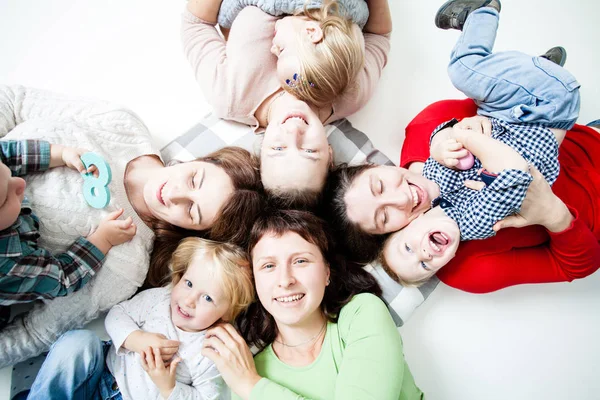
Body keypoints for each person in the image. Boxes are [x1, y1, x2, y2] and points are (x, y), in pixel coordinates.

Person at [0, 85, 263, 368]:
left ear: (195, 232)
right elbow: (14, 101)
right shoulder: (121, 124)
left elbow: (35, 332)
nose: (173, 195)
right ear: (202, 159)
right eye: (194, 179)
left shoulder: (126, 263)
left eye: (191, 210)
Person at [182, 0, 391, 207]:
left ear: (261, 149)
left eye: (278, 148)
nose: (293, 132)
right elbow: (378, 35)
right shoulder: (349, 92)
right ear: (329, 155)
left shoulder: (228, 95)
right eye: (309, 151)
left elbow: (195, 23)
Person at [199, 209, 423, 399]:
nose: (285, 280)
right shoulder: (249, 369)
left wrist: (252, 386)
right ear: (255, 281)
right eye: (268, 266)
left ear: (327, 272)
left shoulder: (362, 312)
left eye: (300, 261)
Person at [25, 237, 255, 399]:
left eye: (207, 298)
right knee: (78, 343)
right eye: (188, 283)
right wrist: (137, 339)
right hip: (100, 375)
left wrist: (169, 388)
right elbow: (118, 314)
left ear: (226, 313)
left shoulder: (212, 350)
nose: (189, 300)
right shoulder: (160, 299)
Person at [0, 140, 135, 313]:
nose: (20, 183)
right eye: (4, 200)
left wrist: (61, 154)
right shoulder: (9, 264)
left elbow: (6, 153)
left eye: (6, 172)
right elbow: (63, 278)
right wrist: (102, 239)